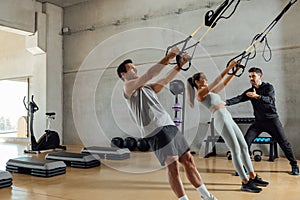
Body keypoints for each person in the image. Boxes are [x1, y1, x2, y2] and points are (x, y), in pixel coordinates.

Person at [117, 46, 217, 200]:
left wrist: (179, 65)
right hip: (155, 130)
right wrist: (169, 57)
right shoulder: (128, 88)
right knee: (173, 166)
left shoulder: (147, 88)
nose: (135, 69)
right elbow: (149, 74)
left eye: (135, 66)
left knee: (188, 160)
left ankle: (206, 196)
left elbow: (165, 80)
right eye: (131, 68)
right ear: (123, 74)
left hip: (169, 125)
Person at [186, 61, 269, 193]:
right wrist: (229, 68)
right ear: (196, 82)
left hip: (227, 117)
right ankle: (245, 182)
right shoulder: (200, 94)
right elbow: (216, 81)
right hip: (220, 119)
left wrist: (234, 72)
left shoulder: (210, 92)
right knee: (235, 149)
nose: (206, 79)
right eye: (203, 78)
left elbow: (223, 84)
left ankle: (252, 176)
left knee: (243, 146)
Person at [225, 67, 300, 175]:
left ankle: (294, 166)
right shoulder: (250, 91)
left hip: (272, 121)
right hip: (258, 122)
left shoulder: (268, 87)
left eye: (253, 76)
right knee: (245, 142)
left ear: (260, 76)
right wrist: (225, 103)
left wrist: (257, 96)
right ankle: (244, 168)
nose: (251, 78)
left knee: (284, 143)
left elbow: (269, 100)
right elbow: (239, 98)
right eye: (250, 76)